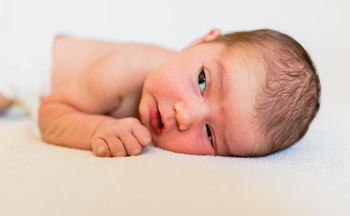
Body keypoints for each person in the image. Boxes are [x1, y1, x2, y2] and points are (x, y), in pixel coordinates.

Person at [0, 29, 320, 157]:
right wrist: (97, 129)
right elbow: (51, 111)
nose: (186, 115)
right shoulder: (128, 67)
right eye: (203, 81)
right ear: (200, 41)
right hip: (20, 63)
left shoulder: (167, 94)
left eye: (210, 135)